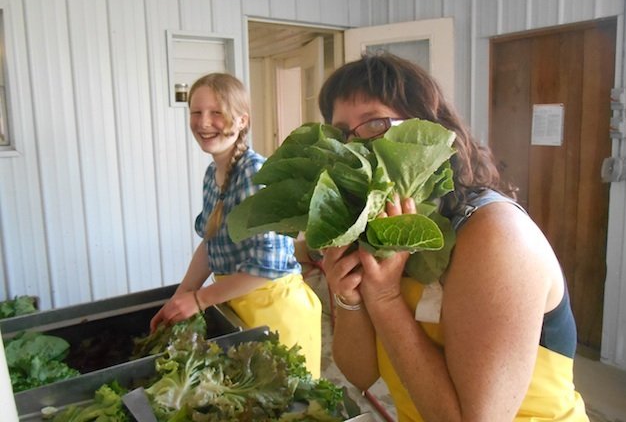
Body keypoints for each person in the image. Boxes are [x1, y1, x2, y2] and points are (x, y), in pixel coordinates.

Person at [317, 54, 588, 421]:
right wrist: (348, 299)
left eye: (375, 123)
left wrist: (384, 298)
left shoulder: (496, 234)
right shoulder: (376, 223)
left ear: (427, 127)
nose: (355, 145)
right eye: (343, 133)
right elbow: (361, 374)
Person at [150, 73, 322, 378]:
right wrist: (183, 295)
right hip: (238, 302)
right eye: (196, 112)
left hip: (275, 309)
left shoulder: (254, 174)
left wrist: (199, 299)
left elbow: (267, 267)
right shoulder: (213, 174)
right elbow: (210, 242)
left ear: (242, 120)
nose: (203, 123)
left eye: (216, 112)